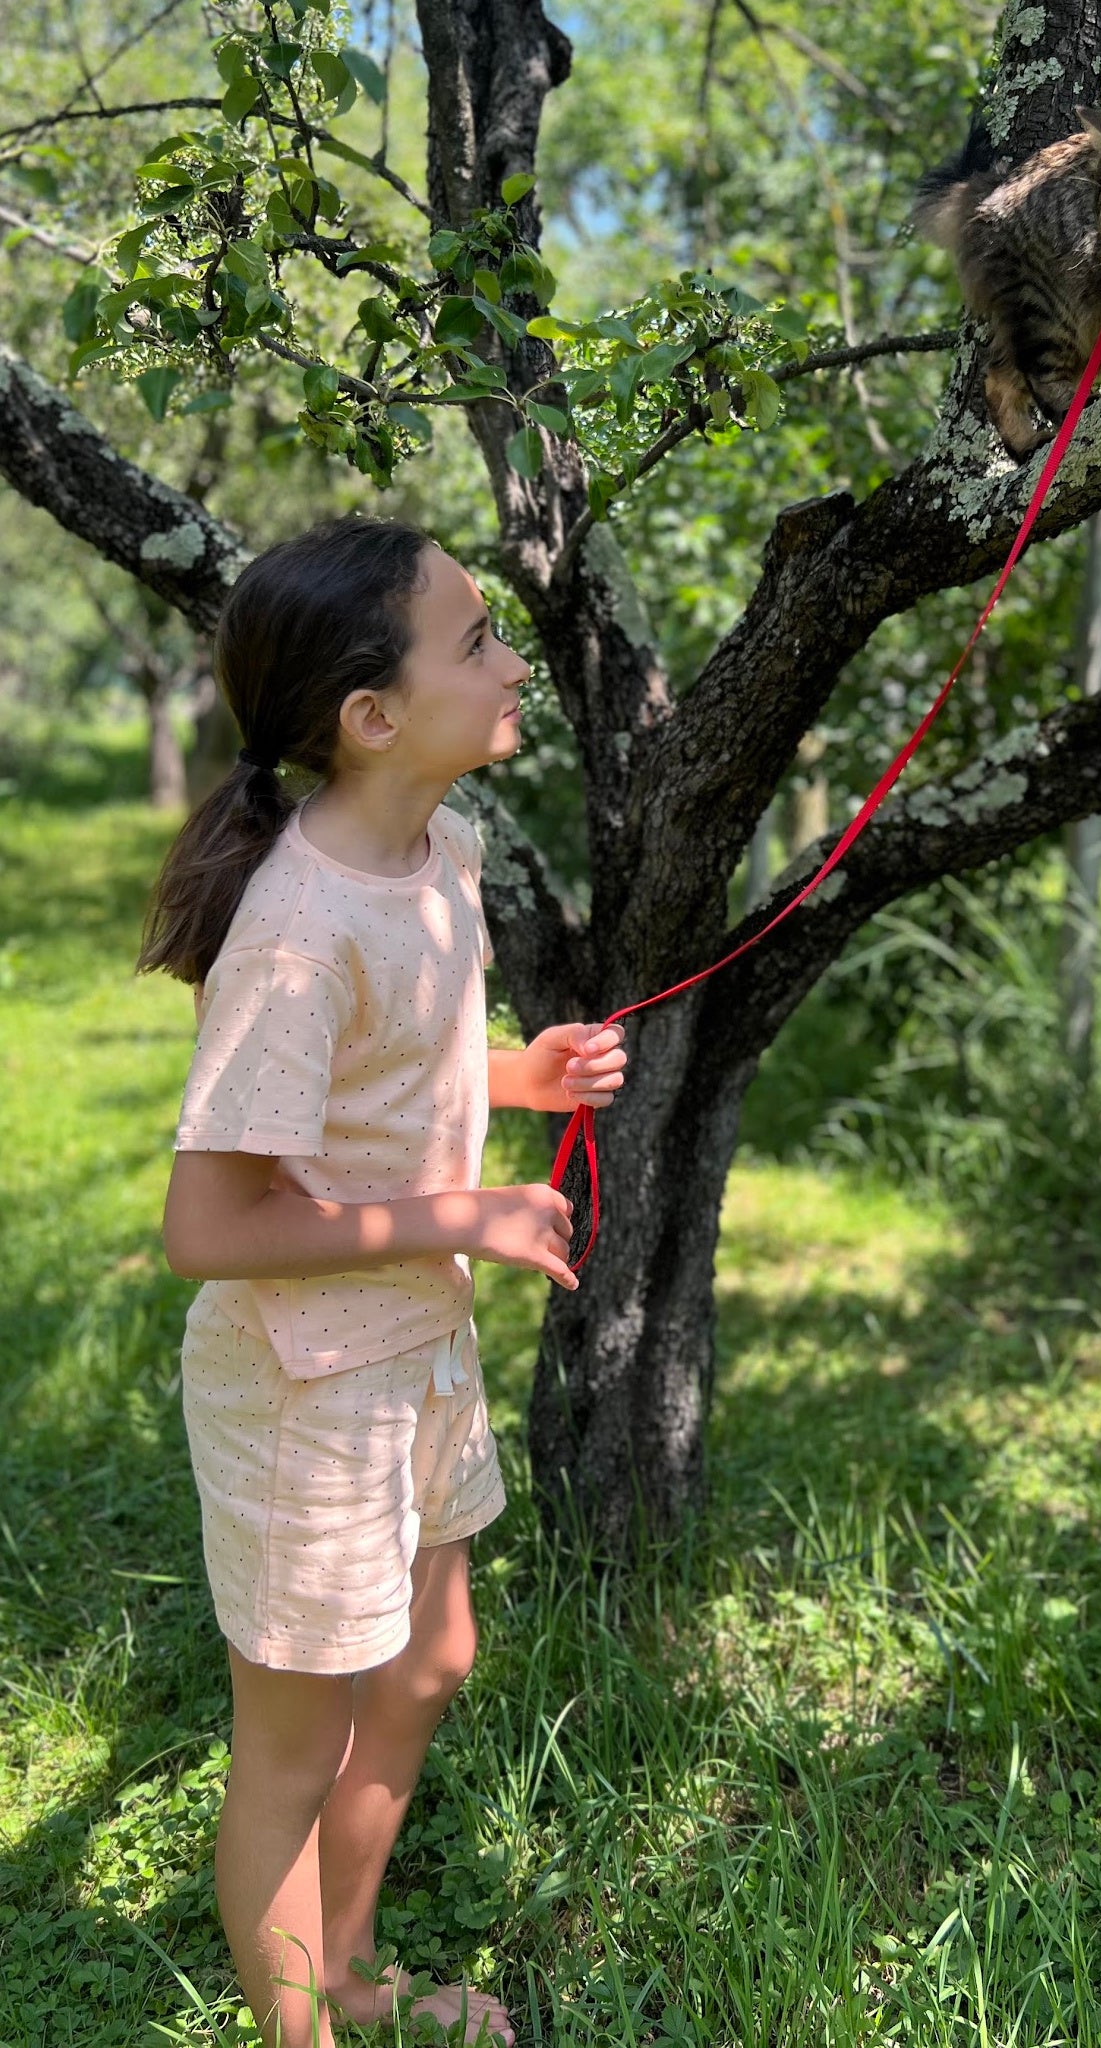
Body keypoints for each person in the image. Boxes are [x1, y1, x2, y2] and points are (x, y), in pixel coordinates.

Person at [141, 517, 626, 2047]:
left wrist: (519, 1075)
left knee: (425, 1668)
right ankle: (307, 2031)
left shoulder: (438, 859)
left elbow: (394, 1085)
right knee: (299, 1736)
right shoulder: (295, 935)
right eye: (474, 639)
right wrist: (459, 1218)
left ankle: (347, 1971)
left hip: (409, 1344)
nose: (507, 662)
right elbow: (210, 1229)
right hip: (303, 1383)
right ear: (371, 716)